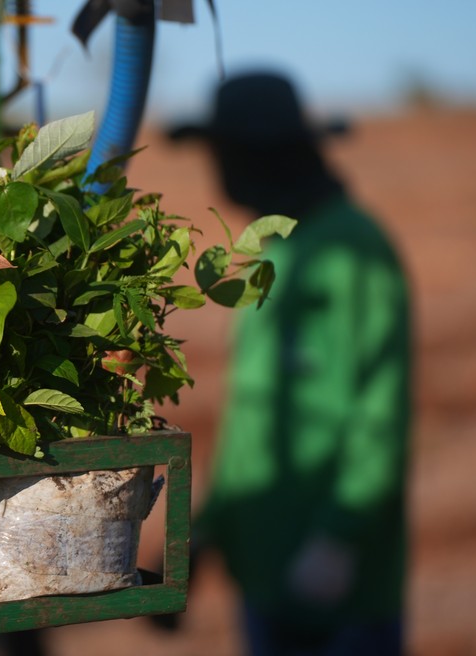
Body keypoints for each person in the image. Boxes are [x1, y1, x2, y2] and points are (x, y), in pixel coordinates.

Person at [170, 71, 413, 656]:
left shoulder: (355, 252)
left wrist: (339, 539)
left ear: (266, 156)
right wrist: (205, 533)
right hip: (263, 577)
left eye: (224, 153)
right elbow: (254, 411)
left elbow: (382, 410)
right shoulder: (279, 251)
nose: (220, 170)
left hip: (339, 594)